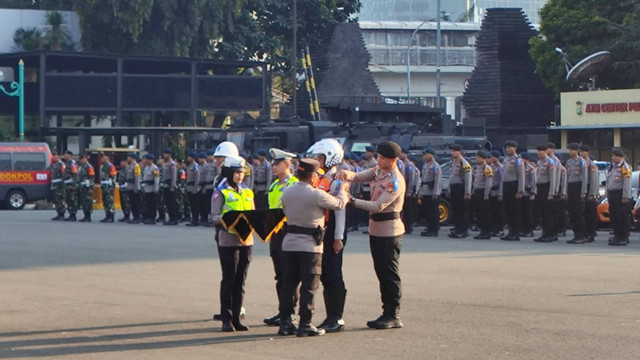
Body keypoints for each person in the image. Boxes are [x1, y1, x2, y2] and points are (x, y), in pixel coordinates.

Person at [337, 141, 406, 330]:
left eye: (382, 158)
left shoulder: (394, 181)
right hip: (376, 229)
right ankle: (386, 312)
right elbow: (359, 176)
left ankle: (393, 314)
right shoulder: (378, 171)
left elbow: (377, 206)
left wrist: (351, 200)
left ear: (392, 160)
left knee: (389, 274)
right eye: (378, 156)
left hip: (389, 231)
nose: (378, 160)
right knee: (381, 272)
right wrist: (344, 174)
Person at [278, 158, 349, 337]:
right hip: (309, 245)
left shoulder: (287, 192)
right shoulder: (316, 194)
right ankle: (305, 323)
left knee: (289, 284)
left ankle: (285, 322)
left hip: (289, 243)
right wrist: (343, 190)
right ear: (312, 177)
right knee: (309, 287)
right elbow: (339, 204)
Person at [306, 139, 350, 333]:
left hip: (333, 231)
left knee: (333, 274)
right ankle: (330, 316)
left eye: (319, 158)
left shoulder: (337, 181)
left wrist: (338, 237)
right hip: (323, 230)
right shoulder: (323, 178)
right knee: (325, 275)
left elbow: (341, 211)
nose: (317, 161)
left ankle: (337, 317)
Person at [211, 155, 255, 332]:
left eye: (242, 172)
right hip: (228, 239)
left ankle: (237, 318)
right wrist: (228, 221)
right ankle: (226, 319)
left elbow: (252, 212)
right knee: (229, 279)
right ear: (228, 173)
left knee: (241, 280)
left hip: (246, 240)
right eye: (236, 172)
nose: (240, 176)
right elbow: (214, 216)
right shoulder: (220, 192)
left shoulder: (247, 192)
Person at [263, 148, 299, 327]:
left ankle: (291, 312)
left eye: (277, 164)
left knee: (290, 275)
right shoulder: (274, 185)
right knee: (280, 276)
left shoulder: (294, 184)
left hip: (288, 231)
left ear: (287, 164)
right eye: (273, 164)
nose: (273, 167)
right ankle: (282, 310)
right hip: (275, 233)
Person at [606, 147, 632, 246]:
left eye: (615, 156)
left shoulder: (625, 167)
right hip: (612, 194)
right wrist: (607, 194)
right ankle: (617, 236)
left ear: (620, 157)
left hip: (620, 195)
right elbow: (609, 182)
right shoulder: (612, 166)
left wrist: (626, 196)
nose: (613, 158)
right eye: (612, 156)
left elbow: (627, 182)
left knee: (622, 217)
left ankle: (623, 237)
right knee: (614, 216)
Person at [500, 141, 525, 241]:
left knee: (515, 211)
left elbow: (521, 176)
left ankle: (515, 232)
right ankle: (510, 232)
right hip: (506, 186)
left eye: (510, 147)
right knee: (508, 211)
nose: (507, 149)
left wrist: (520, 190)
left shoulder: (518, 160)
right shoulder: (506, 159)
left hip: (514, 186)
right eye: (506, 147)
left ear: (515, 148)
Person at [534, 144, 558, 243]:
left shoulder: (550, 162)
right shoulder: (539, 162)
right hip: (539, 188)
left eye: (541, 151)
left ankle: (550, 234)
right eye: (538, 151)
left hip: (547, 188)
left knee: (548, 213)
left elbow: (553, 178)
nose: (538, 153)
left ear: (545, 152)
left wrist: (551, 192)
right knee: (542, 213)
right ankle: (544, 233)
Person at [565, 143, 588, 244]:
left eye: (572, 150)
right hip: (570, 187)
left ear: (577, 151)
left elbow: (584, 177)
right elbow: (566, 177)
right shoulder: (569, 162)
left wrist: (583, 191)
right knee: (572, 212)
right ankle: (575, 235)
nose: (570, 152)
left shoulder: (581, 161)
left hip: (578, 187)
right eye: (569, 150)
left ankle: (581, 235)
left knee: (578, 213)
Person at [448, 144, 472, 238]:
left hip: (460, 188)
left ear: (459, 152)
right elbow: (451, 176)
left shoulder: (464, 162)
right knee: (456, 210)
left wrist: (467, 192)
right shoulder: (453, 162)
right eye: (452, 151)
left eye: (454, 151)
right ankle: (457, 228)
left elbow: (468, 177)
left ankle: (463, 230)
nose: (452, 153)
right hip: (454, 187)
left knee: (462, 210)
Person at [419, 148, 442, 237]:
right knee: (428, 212)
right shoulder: (425, 165)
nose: (425, 156)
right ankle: (429, 228)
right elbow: (423, 180)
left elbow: (437, 180)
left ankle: (434, 229)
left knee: (433, 212)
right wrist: (421, 192)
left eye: (427, 154)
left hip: (432, 192)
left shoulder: (435, 166)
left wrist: (436, 193)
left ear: (431, 155)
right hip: (426, 191)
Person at [472, 151, 493, 239]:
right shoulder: (477, 168)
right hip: (477, 191)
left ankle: (486, 232)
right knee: (479, 212)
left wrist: (486, 193)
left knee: (484, 213)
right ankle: (481, 231)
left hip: (483, 192)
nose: (476, 159)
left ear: (483, 158)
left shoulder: (487, 168)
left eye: (478, 157)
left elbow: (489, 182)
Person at [580, 145, 598, 243]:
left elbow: (593, 180)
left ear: (588, 153)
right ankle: (584, 233)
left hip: (589, 190)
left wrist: (592, 193)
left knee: (589, 214)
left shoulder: (591, 164)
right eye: (580, 151)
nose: (581, 153)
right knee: (582, 213)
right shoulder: (579, 163)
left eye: (583, 152)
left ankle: (590, 234)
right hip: (581, 190)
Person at [400, 149, 417, 234]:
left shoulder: (409, 165)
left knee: (407, 209)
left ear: (406, 154)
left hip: (407, 186)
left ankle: (408, 226)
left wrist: (409, 190)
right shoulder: (398, 163)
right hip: (400, 186)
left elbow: (411, 179)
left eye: (402, 153)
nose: (401, 154)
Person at [519, 152, 536, 237]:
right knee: (521, 212)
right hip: (521, 193)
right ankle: (522, 229)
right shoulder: (518, 168)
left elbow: (533, 181)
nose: (521, 160)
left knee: (528, 213)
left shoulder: (530, 168)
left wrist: (533, 192)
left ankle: (529, 230)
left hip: (528, 192)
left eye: (523, 159)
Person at [141, 154, 160, 225]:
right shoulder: (146, 167)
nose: (144, 160)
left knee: (152, 204)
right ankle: (148, 217)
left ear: (150, 160)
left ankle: (152, 218)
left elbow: (156, 179)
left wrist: (156, 189)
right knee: (147, 204)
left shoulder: (155, 168)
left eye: (146, 159)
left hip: (151, 189)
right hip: (146, 188)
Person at [488, 151, 504, 237]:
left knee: (499, 211)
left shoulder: (500, 167)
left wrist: (501, 193)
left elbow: (502, 180)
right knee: (492, 211)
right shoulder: (491, 167)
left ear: (496, 158)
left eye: (492, 157)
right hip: (491, 191)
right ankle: (494, 228)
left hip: (497, 191)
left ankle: (500, 229)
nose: (491, 158)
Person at [161, 149, 179, 225]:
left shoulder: (172, 164)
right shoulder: (165, 164)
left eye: (166, 154)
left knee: (171, 203)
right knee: (167, 203)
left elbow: (174, 176)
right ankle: (170, 218)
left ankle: (173, 218)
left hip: (170, 185)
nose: (164, 155)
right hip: (165, 185)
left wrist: (172, 186)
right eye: (164, 153)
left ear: (169, 155)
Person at [61, 151, 79, 221]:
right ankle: (70, 214)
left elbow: (75, 175)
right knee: (68, 200)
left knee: (72, 200)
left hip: (71, 185)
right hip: (67, 185)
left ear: (69, 155)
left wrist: (73, 185)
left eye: (65, 154)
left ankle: (73, 215)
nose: (64, 156)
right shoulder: (67, 163)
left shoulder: (72, 163)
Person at [77, 154, 95, 222]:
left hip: (87, 186)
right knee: (84, 201)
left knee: (88, 201)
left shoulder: (89, 167)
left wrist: (90, 187)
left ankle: (88, 216)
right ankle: (85, 215)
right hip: (82, 186)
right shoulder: (81, 167)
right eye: (81, 159)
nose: (82, 160)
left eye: (84, 159)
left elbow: (92, 177)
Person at [99, 153, 117, 223]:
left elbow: (113, 176)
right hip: (103, 185)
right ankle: (107, 215)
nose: (102, 159)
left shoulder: (110, 166)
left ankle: (111, 216)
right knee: (105, 201)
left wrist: (111, 186)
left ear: (107, 158)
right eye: (102, 157)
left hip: (109, 186)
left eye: (104, 157)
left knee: (109, 201)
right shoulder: (102, 166)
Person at [202, 150, 218, 226]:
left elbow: (218, 176)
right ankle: (209, 219)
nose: (208, 157)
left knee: (213, 204)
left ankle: (213, 219)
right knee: (207, 203)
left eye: (209, 156)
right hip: (207, 186)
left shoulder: (216, 164)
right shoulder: (207, 165)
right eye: (207, 156)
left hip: (213, 186)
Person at [125, 153, 142, 224]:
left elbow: (137, 178)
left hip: (134, 187)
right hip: (130, 187)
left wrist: (136, 188)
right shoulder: (129, 166)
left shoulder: (136, 166)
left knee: (136, 203)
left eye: (128, 157)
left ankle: (137, 217)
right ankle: (134, 216)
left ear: (132, 158)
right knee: (132, 203)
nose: (127, 158)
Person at [185, 151, 201, 226]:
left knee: (195, 204)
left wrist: (196, 187)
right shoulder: (189, 166)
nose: (188, 158)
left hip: (194, 187)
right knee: (191, 204)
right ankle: (193, 219)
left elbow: (197, 177)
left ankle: (196, 219)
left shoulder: (195, 166)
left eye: (189, 157)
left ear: (192, 158)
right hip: (189, 187)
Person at [50, 151, 67, 221]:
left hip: (60, 185)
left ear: (58, 156)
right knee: (56, 200)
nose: (53, 157)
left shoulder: (61, 165)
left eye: (55, 155)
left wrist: (62, 185)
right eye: (53, 155)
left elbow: (64, 175)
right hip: (54, 185)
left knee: (60, 199)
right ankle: (58, 213)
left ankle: (62, 213)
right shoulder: (54, 165)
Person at [155, 158, 167, 223]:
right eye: (158, 159)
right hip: (158, 187)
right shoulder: (157, 169)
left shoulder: (165, 168)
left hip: (163, 187)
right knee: (158, 202)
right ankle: (160, 215)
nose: (158, 161)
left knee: (162, 202)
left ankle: (163, 216)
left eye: (160, 160)